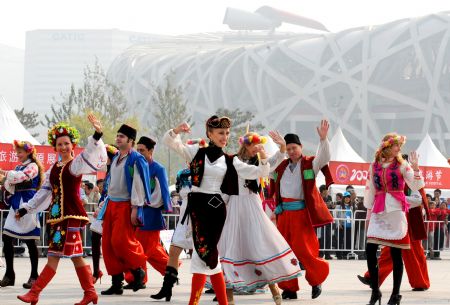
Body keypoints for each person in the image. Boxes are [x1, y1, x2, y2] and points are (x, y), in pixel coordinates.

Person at [163, 115, 271, 305]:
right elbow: (170, 142)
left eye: (227, 133)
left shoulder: (230, 160)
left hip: (215, 211)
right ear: (210, 134)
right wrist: (177, 131)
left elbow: (259, 173)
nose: (224, 137)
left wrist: (263, 157)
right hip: (197, 209)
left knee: (202, 255)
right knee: (210, 260)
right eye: (220, 133)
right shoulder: (196, 152)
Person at [16, 114, 107, 305]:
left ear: (72, 145)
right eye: (60, 144)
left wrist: (97, 134)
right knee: (62, 256)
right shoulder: (54, 168)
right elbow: (43, 192)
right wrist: (26, 209)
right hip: (57, 217)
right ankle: (86, 293)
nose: (63, 147)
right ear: (55, 147)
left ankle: (37, 293)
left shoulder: (75, 164)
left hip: (72, 215)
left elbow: (90, 153)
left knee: (68, 255)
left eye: (66, 143)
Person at [218, 131, 302, 305]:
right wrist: (264, 159)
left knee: (261, 245)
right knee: (231, 246)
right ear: (245, 145)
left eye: (258, 144)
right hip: (236, 205)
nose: (256, 147)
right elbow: (256, 172)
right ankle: (229, 298)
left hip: (253, 205)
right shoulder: (236, 161)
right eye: (253, 144)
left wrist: (282, 148)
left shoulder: (258, 160)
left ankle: (275, 293)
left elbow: (272, 164)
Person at [271, 120, 333, 300]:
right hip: (284, 215)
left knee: (304, 250)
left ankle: (316, 279)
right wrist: (279, 149)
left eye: (293, 148)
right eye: (288, 148)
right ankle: (289, 287)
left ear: (301, 147)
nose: (291, 151)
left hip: (301, 214)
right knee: (283, 250)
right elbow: (267, 167)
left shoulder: (309, 164)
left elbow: (324, 158)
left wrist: (323, 139)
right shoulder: (280, 166)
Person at [364, 133, 424, 305]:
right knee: (369, 249)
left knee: (396, 253)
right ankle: (376, 291)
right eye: (396, 145)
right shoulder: (374, 165)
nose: (399, 148)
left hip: (396, 209)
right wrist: (369, 207)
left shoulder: (403, 165)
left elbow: (416, 186)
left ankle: (395, 294)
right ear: (387, 147)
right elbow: (370, 189)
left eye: (399, 145)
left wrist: (416, 168)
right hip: (379, 209)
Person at [99, 124, 151, 295]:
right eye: (118, 135)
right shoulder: (115, 158)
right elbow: (110, 182)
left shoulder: (136, 159)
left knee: (120, 241)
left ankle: (138, 270)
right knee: (107, 244)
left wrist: (136, 207)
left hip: (126, 205)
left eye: (122, 136)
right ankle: (116, 283)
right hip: (111, 204)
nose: (118, 138)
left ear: (131, 141)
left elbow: (139, 185)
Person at [125, 136, 171, 289]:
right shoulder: (136, 166)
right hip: (138, 212)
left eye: (142, 150)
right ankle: (171, 269)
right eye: (137, 150)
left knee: (145, 249)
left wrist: (167, 206)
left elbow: (164, 189)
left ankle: (136, 278)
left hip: (152, 214)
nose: (139, 153)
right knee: (148, 249)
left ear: (151, 151)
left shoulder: (158, 168)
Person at [0, 140, 45, 289]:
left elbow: (18, 178)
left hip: (28, 204)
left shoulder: (32, 166)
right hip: (15, 204)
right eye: (17, 152)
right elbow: (9, 184)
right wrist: (8, 179)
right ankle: (9, 274)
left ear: (28, 152)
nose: (17, 155)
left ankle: (34, 275)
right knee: (6, 237)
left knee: (31, 241)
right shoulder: (19, 167)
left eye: (20, 152)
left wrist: (7, 175)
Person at [89, 144, 118, 285]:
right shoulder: (109, 170)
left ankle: (126, 275)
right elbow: (105, 192)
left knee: (113, 244)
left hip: (112, 208)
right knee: (96, 237)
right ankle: (97, 271)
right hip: (105, 207)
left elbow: (112, 192)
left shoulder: (115, 170)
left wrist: (101, 208)